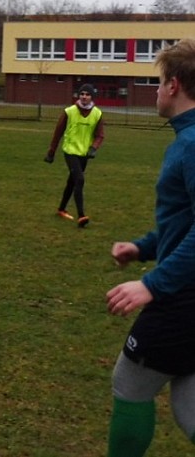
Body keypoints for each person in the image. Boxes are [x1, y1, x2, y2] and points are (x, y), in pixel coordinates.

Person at [104, 39, 195, 456]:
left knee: (130, 380)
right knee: (189, 405)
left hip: (183, 298)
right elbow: (184, 224)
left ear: (174, 85)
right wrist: (142, 248)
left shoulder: (193, 145)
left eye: (158, 83)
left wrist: (152, 285)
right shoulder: (186, 140)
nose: (156, 91)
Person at [44, 83, 105, 227]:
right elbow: (58, 132)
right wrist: (51, 152)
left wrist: (93, 148)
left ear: (92, 97)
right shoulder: (69, 111)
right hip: (70, 151)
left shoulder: (97, 114)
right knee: (80, 179)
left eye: (87, 94)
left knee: (72, 182)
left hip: (84, 154)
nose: (84, 97)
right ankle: (81, 215)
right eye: (82, 94)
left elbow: (100, 135)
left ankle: (61, 209)